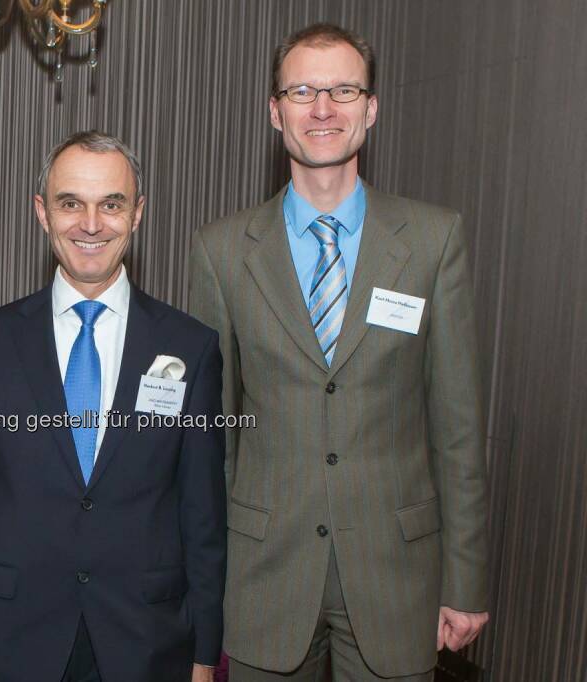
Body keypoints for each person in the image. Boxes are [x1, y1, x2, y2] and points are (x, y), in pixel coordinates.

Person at [189, 23, 490, 682]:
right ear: (275, 111)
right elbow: (213, 434)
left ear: (371, 108)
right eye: (302, 90)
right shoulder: (220, 251)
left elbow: (458, 427)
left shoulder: (435, 241)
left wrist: (465, 576)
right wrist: (204, 574)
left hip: (397, 577)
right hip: (265, 573)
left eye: (343, 90)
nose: (323, 108)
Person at [0, 131, 227, 682]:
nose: (91, 224)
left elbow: (202, 514)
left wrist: (204, 653)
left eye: (110, 204)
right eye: (71, 203)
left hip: (147, 642)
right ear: (42, 212)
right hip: (11, 639)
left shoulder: (192, 347)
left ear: (137, 214)